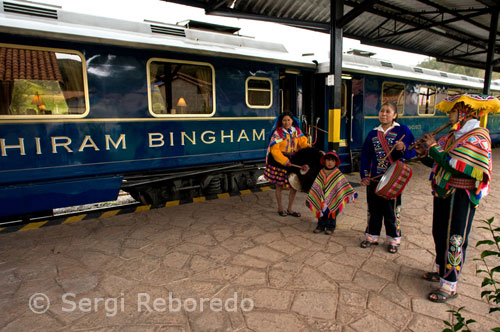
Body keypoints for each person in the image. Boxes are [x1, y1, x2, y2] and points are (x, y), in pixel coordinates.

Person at [414, 94, 498, 303]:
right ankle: (442, 270)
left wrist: (433, 147)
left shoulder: (478, 137)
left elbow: (458, 168)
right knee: (439, 232)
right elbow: (439, 163)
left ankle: (449, 285)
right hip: (443, 192)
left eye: (452, 111)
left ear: (465, 112)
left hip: (461, 196)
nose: (449, 115)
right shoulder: (453, 135)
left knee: (455, 238)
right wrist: (425, 153)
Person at [359, 101, 416, 253]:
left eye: (388, 111)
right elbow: (365, 155)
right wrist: (364, 175)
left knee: (391, 210)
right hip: (375, 178)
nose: (384, 114)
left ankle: (393, 240)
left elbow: (412, 151)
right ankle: (372, 236)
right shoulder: (373, 133)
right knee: (373, 208)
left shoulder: (402, 130)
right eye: (382, 111)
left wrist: (403, 147)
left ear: (395, 115)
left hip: (393, 179)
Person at [264, 111, 309, 217]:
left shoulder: (296, 131)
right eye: (284, 120)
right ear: (281, 121)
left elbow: (302, 143)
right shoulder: (278, 133)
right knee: (279, 185)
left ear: (292, 121)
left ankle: (290, 209)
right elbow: (275, 150)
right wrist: (284, 160)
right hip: (279, 161)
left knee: (294, 185)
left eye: (289, 120)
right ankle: (280, 208)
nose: (286, 122)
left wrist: (308, 147)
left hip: (293, 159)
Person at [306, 151, 357, 235]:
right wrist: (315, 193)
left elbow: (343, 184)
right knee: (321, 209)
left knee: (332, 211)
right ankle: (321, 225)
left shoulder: (337, 173)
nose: (330, 162)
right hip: (322, 198)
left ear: (335, 162)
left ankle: (330, 227)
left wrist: (350, 193)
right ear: (324, 161)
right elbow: (317, 185)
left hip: (333, 197)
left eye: (332, 161)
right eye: (328, 160)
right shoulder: (321, 172)